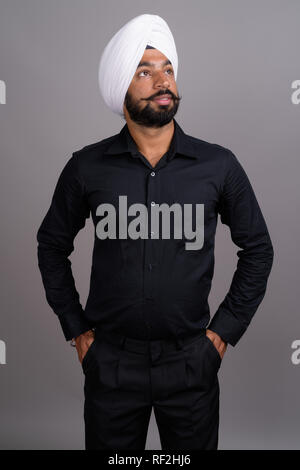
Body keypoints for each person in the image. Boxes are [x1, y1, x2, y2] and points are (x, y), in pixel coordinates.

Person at [36, 14, 274, 450]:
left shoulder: (218, 165)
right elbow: (51, 245)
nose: (162, 80)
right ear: (120, 90)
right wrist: (77, 329)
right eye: (144, 71)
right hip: (111, 362)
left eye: (168, 69)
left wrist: (221, 334)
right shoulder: (86, 167)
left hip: (190, 362)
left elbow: (258, 248)